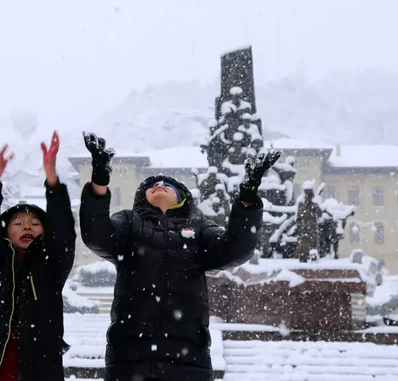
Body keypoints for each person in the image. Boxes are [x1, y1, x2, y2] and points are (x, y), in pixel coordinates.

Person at [79, 131, 281, 381]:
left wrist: (248, 196)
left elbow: (235, 250)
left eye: (167, 185)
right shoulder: (129, 222)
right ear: (143, 198)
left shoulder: (199, 227)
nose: (159, 185)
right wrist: (99, 180)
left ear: (182, 197)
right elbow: (96, 236)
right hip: (129, 357)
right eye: (152, 186)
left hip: (189, 359)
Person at [0, 131, 75, 381]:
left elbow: (64, 232)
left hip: (41, 368)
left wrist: (52, 180)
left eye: (35, 223)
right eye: (18, 223)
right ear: (5, 232)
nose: (27, 227)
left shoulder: (53, 265)